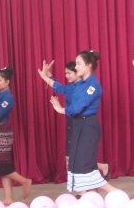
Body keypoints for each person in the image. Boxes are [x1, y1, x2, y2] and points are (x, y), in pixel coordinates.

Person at [39, 50, 117, 194]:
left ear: (89, 65)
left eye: (79, 63)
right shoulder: (79, 84)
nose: (76, 67)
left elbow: (78, 107)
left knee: (84, 165)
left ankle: (117, 194)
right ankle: (89, 197)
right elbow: (62, 88)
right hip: (78, 126)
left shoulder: (92, 85)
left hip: (88, 127)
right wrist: (46, 77)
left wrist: (60, 109)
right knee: (76, 163)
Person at [0, 66, 32, 205]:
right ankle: (8, 197)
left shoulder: (7, 98)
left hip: (2, 133)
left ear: (7, 82)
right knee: (2, 166)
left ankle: (24, 181)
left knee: (1, 166)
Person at [48, 60, 109, 178]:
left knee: (73, 158)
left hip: (79, 122)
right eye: (65, 73)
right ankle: (95, 172)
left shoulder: (81, 87)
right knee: (71, 158)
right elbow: (62, 89)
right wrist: (49, 77)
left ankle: (81, 184)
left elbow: (63, 91)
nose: (66, 76)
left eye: (69, 73)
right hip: (71, 121)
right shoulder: (73, 86)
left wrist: (60, 109)